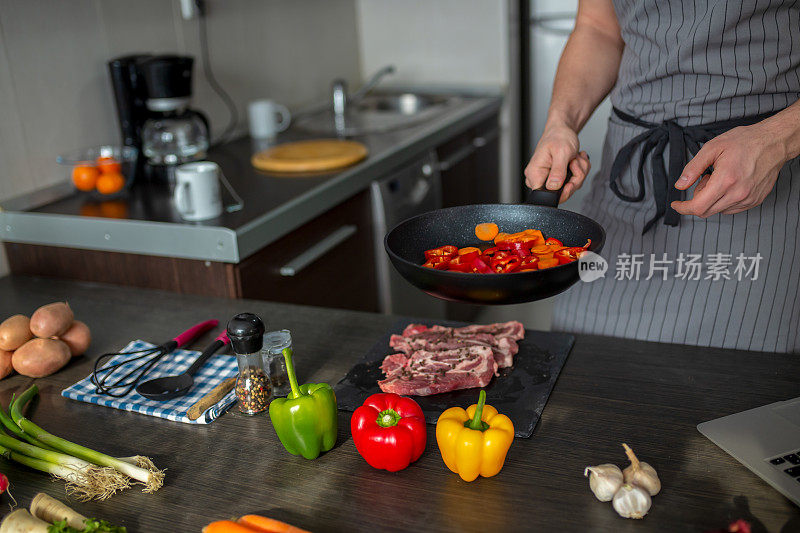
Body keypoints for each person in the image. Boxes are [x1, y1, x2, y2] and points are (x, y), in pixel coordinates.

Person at [525, 0, 800, 352]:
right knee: (585, 365)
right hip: (629, 179)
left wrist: (776, 141)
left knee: (741, 383)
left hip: (759, 181)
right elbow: (599, 29)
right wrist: (559, 123)